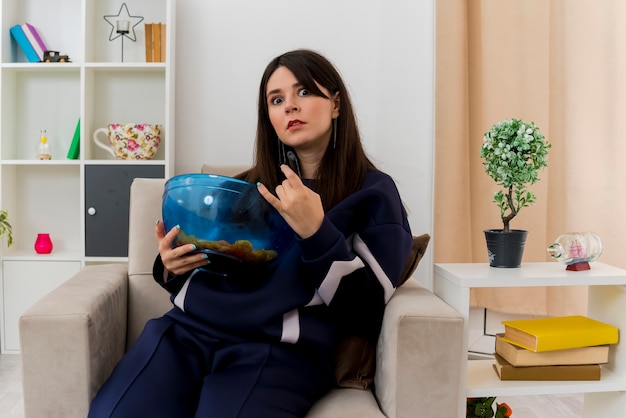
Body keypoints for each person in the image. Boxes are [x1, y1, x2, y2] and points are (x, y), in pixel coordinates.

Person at [88, 49, 413, 418]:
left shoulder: (373, 193)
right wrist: (170, 266)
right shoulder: (247, 189)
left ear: (335, 104)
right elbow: (215, 265)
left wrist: (316, 232)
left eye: (303, 92)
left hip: (278, 351)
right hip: (185, 333)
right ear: (269, 116)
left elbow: (366, 309)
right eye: (277, 100)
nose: (290, 106)